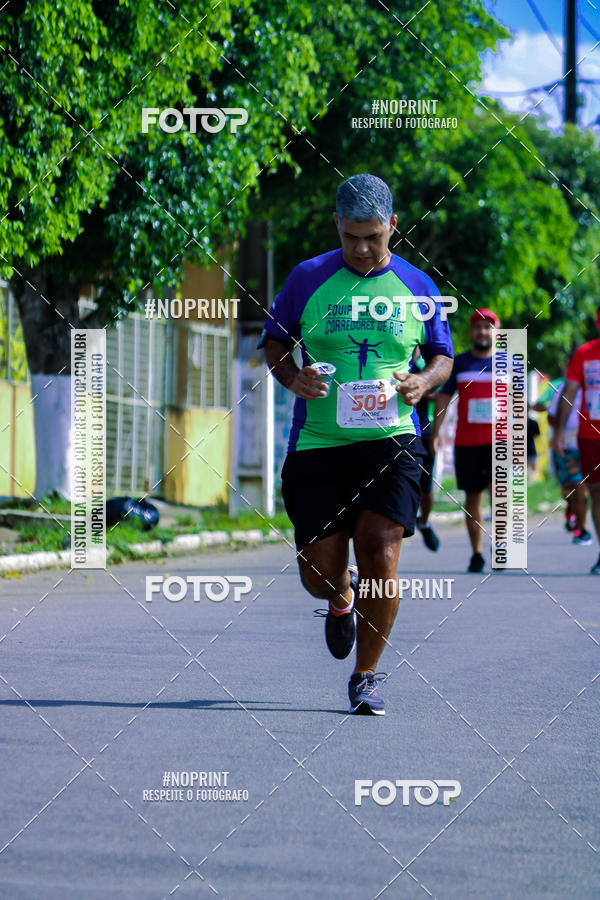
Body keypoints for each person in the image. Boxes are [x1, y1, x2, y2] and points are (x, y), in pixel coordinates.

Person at [258, 173, 453, 715]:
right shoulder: (306, 278)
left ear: (393, 226)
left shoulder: (418, 286)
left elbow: (442, 355)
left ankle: (366, 676)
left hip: (391, 442)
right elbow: (274, 342)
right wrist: (292, 376)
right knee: (318, 570)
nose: (363, 250)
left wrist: (424, 381)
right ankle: (340, 597)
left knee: (381, 553)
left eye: (374, 237)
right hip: (318, 444)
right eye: (352, 238)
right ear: (337, 227)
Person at [431, 308, 499, 573]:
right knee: (472, 498)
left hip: (499, 442)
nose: (482, 332)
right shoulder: (458, 364)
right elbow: (443, 400)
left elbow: (519, 405)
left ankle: (500, 543)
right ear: (471, 332)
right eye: (478, 327)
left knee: (499, 495)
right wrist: (436, 432)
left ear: (496, 331)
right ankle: (477, 553)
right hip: (467, 443)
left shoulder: (510, 363)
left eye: (488, 327)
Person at [553, 307, 600, 574]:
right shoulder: (584, 354)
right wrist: (559, 431)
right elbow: (569, 392)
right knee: (596, 493)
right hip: (590, 434)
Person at [547, 379, 590, 543]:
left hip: (590, 444)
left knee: (585, 487)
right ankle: (580, 524)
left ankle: (581, 523)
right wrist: (559, 433)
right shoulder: (561, 389)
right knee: (573, 486)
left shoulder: (593, 386)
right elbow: (550, 416)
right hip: (568, 447)